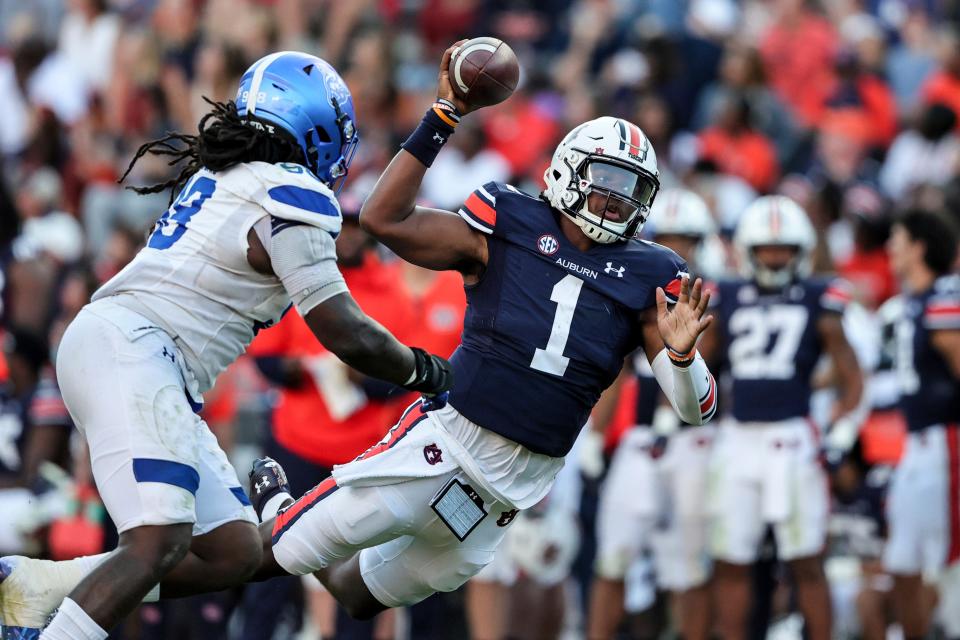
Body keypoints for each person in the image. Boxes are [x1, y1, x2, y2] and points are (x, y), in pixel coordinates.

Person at [244, 42, 718, 622]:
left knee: (355, 596)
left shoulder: (651, 273)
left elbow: (696, 410)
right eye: (609, 179)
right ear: (570, 167)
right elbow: (383, 219)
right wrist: (442, 116)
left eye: (633, 188)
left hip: (508, 495)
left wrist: (683, 354)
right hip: (446, 447)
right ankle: (119, 589)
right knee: (276, 554)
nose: (618, 199)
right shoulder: (511, 220)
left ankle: (281, 508)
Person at [0, 51, 454, 640]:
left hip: (132, 350)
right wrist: (427, 371)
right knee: (158, 538)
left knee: (233, 550)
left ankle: (39, 589)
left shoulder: (230, 176)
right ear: (316, 128)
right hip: (139, 348)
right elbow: (344, 330)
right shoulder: (292, 193)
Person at [701, 195, 864, 640]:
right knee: (731, 558)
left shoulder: (819, 296)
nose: (775, 257)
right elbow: (702, 370)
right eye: (767, 248)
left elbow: (851, 374)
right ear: (748, 250)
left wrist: (843, 425)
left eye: (785, 248)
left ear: (802, 250)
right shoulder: (726, 294)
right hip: (736, 437)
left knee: (806, 560)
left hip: (793, 436)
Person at [586, 188, 720, 640]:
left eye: (686, 240)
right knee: (614, 554)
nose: (677, 251)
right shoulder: (634, 289)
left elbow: (706, 357)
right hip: (640, 440)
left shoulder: (710, 293)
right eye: (669, 239)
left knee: (687, 564)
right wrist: (593, 435)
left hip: (693, 440)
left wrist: (668, 417)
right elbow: (618, 370)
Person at [882, 209, 960, 640]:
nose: (891, 247)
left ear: (919, 246)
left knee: (950, 560)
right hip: (916, 447)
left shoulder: (943, 297)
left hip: (945, 442)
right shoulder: (909, 302)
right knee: (902, 563)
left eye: (898, 238)